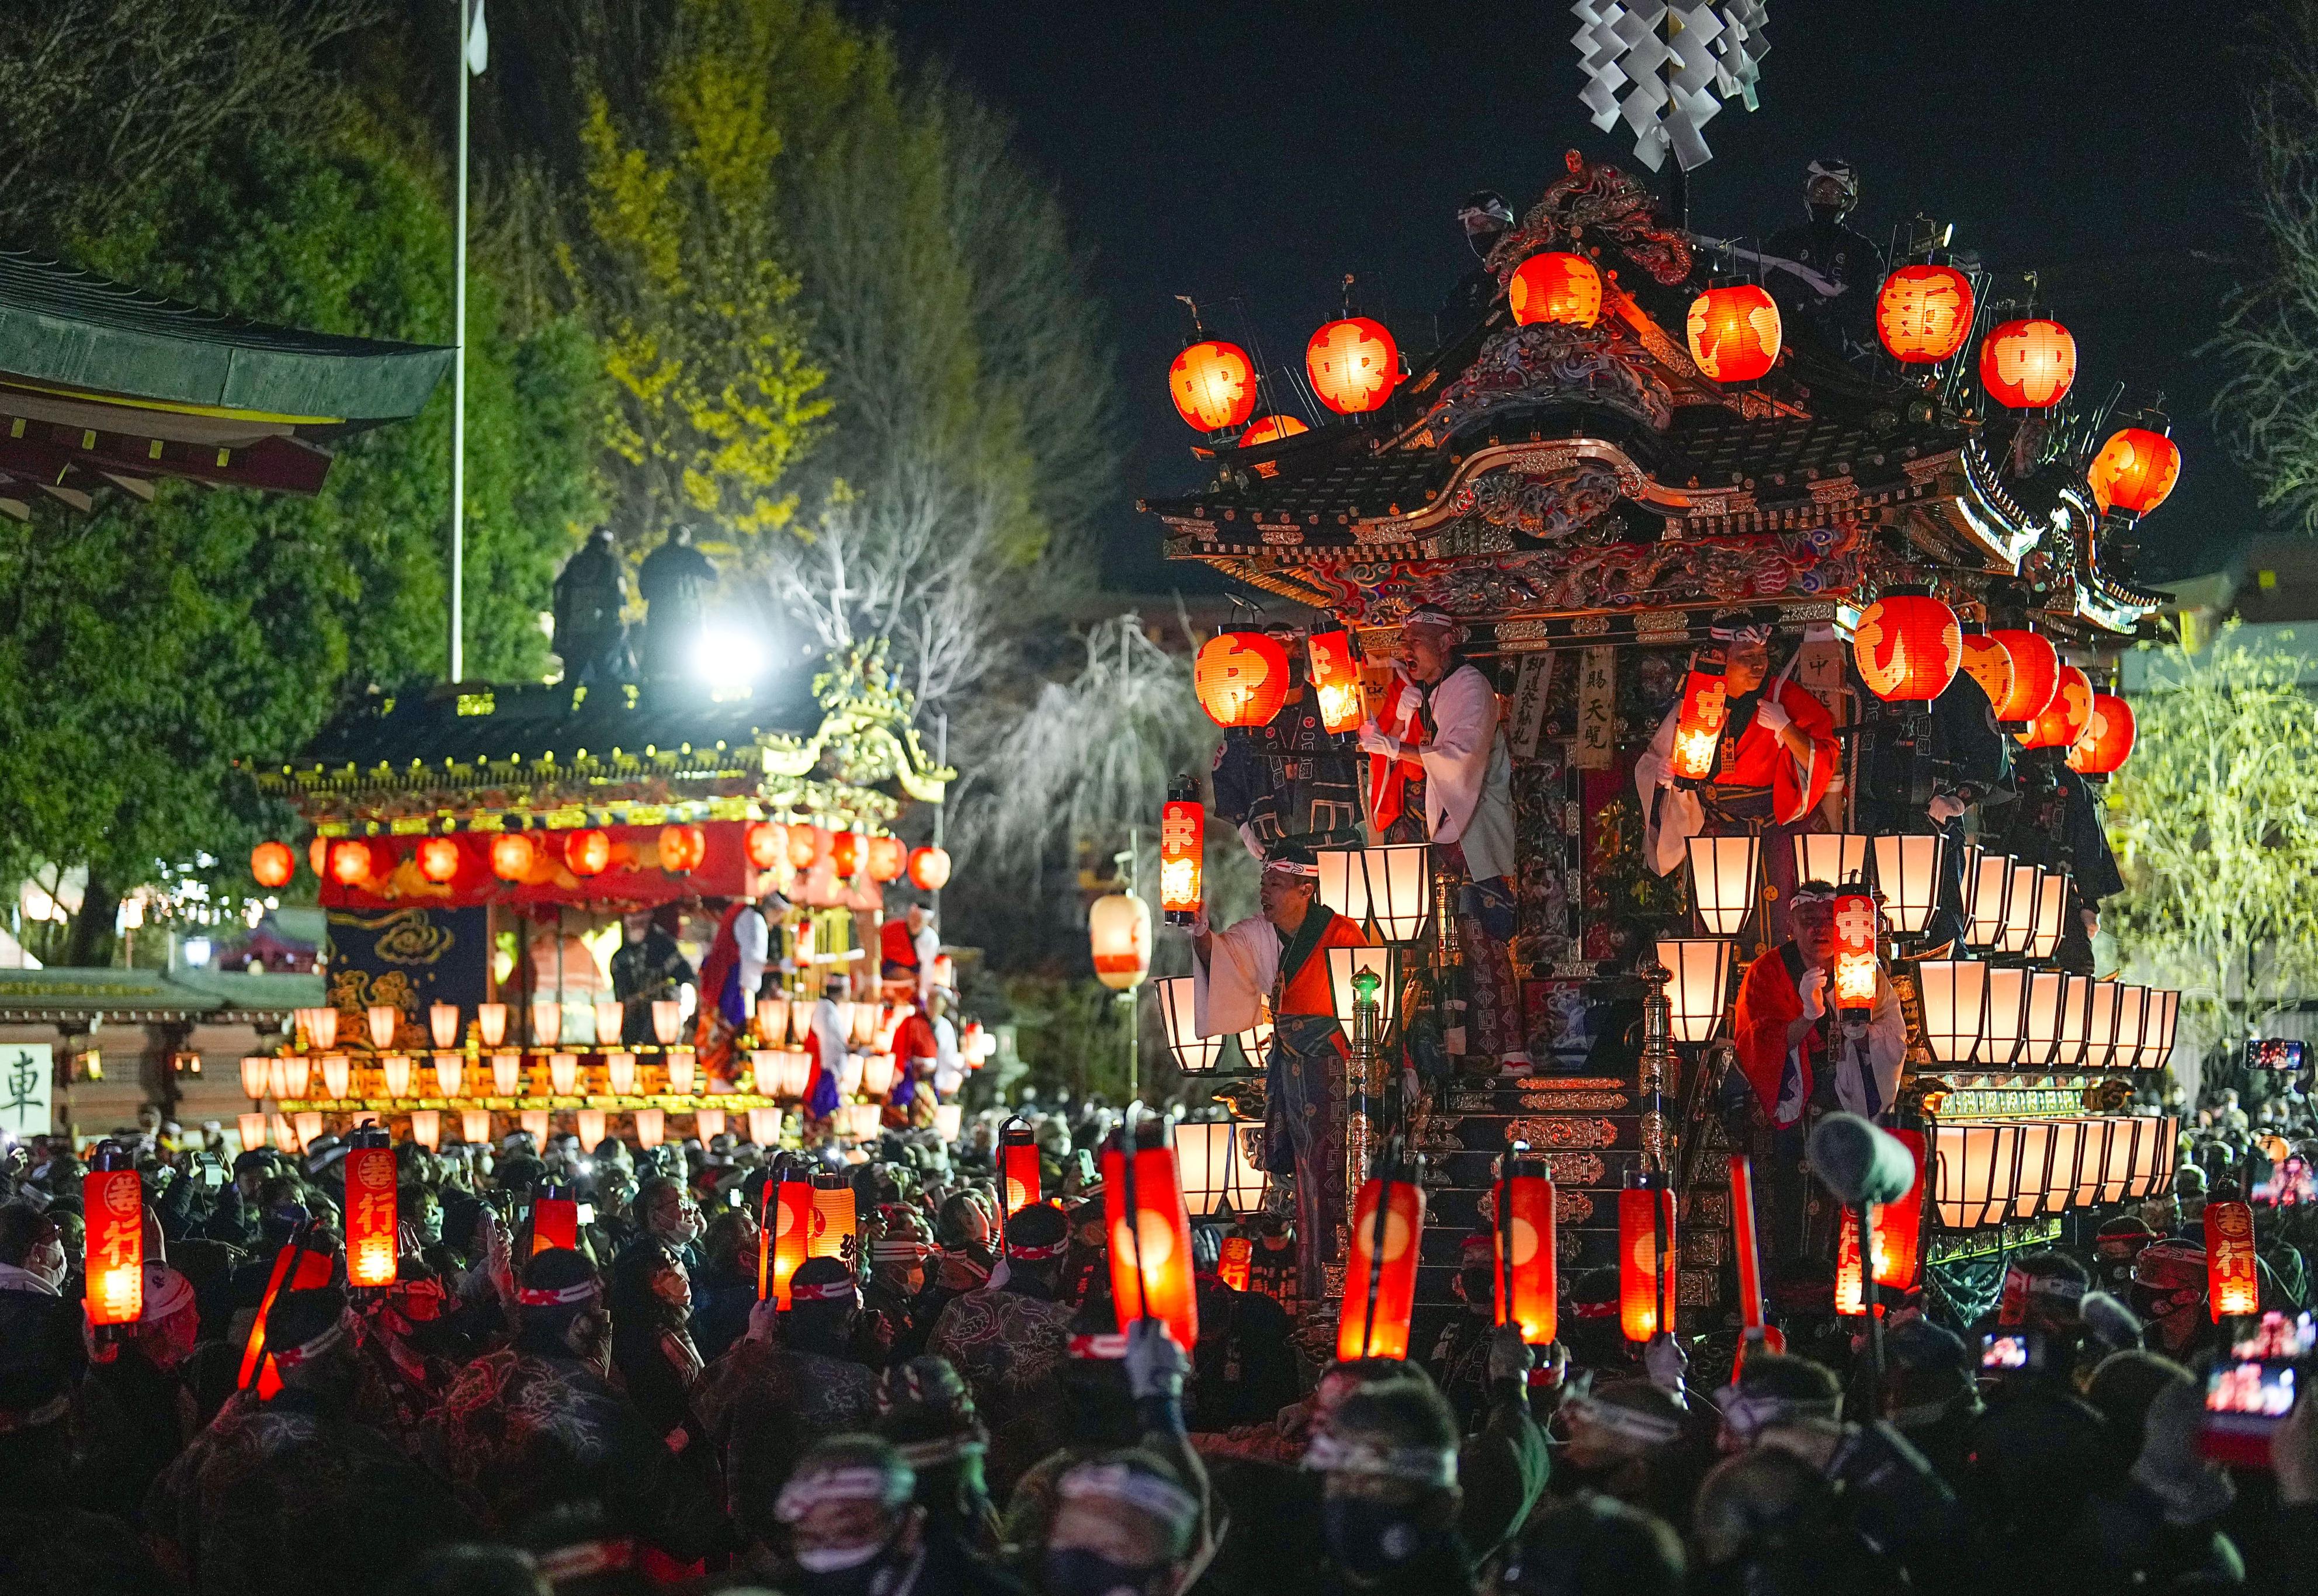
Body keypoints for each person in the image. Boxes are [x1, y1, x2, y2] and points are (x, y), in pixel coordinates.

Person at [148, 1286, 466, 1595]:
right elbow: (454, 1539)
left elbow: (157, 1531)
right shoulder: (367, 1461)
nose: (363, 1362)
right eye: (353, 1350)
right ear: (337, 1365)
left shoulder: (211, 1451)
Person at [423, 1249, 723, 1566]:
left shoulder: (471, 1377)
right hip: (567, 1575)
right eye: (598, 1311)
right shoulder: (589, 1399)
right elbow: (679, 1514)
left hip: (482, 1572)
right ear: (579, 1324)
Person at [1191, 844, 1374, 1300]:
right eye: (1263, 884)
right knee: (1304, 1178)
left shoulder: (1343, 934)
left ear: (1305, 889)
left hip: (1335, 1071)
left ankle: (1338, 1282)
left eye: (1274, 885)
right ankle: (1314, 1282)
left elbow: (1373, 1008)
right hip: (1292, 1071)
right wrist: (1199, 930)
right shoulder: (1263, 934)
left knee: (1333, 1177)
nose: (1264, 894)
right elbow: (1225, 957)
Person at [1356, 605, 1528, 1073]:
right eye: (1404, 640)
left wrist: (1395, 747)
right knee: (1423, 947)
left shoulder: (1470, 685)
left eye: (1416, 638)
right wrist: (1397, 727)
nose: (1405, 648)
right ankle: (1434, 1057)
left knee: (1481, 940)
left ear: (1448, 640)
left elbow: (1459, 759)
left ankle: (1504, 1051)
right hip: (1431, 835)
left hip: (1467, 834)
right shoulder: (1429, 694)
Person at [1635, 610, 1840, 953]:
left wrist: (1786, 728)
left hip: (1775, 829)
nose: (1758, 665)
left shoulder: (1781, 696)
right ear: (1720, 659)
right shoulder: (1697, 697)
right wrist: (1664, 777)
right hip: (1718, 831)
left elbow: (1826, 758)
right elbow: (1655, 762)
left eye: (1761, 657)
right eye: (1746, 658)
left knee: (1781, 924)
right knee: (1721, 930)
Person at [1730, 883, 1906, 1262]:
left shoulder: (1861, 967)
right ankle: (1789, 1274)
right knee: (1790, 1195)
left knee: (1844, 1194)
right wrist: (1808, 1017)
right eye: (1808, 921)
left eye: (1828, 920)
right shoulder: (1768, 972)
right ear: (1790, 925)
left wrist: (1862, 1035)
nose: (1819, 930)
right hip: (1792, 1102)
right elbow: (1758, 1045)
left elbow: (1894, 1039)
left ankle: (1843, 1273)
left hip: (1849, 1097)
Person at [699, 1255, 884, 1519]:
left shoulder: (751, 1369)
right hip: (833, 1534)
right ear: (849, 1314)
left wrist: (754, 1339)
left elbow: (704, 1413)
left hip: (759, 1535)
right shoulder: (863, 1384)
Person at [929, 1201, 1080, 1499]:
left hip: (959, 1473)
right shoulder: (1066, 1326)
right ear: (1061, 1260)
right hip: (1034, 1482)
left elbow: (932, 1377)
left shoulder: (958, 1308)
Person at [1758, 158, 1886, 364]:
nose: (1824, 199)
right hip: (1784, 349)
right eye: (1818, 192)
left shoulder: (1864, 252)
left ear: (1849, 202)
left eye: (1834, 194)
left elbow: (1864, 308)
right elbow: (1765, 292)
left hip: (1842, 359)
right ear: (1806, 197)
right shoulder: (1781, 243)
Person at [634, 523, 716, 681]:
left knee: (656, 661)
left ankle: (651, 696)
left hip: (660, 618)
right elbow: (713, 574)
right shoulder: (691, 555)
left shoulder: (654, 557)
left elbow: (643, 588)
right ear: (686, 537)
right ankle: (690, 698)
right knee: (691, 661)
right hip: (688, 617)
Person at [550, 526, 630, 685]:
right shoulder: (610, 563)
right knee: (604, 673)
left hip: (576, 627)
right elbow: (621, 596)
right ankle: (600, 707)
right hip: (602, 627)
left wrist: (562, 622)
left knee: (572, 676)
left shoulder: (576, 562)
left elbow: (559, 589)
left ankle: (565, 709)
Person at [610, 909, 694, 1046]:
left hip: (663, 1028)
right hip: (631, 1030)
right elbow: (621, 998)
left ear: (650, 916)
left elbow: (687, 977)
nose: (635, 920)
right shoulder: (619, 959)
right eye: (630, 914)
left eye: (639, 913)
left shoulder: (664, 949)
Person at [1439, 189, 1517, 333]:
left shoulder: (1534, 266)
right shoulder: (1463, 291)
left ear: (1508, 226)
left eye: (1488, 225)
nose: (1481, 233)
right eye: (1474, 228)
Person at [882, 901, 940, 1001]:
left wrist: (923, 994)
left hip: (912, 977)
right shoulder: (892, 928)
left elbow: (926, 969)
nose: (915, 922)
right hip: (885, 968)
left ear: (926, 922)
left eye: (919, 919)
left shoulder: (930, 940)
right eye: (913, 917)